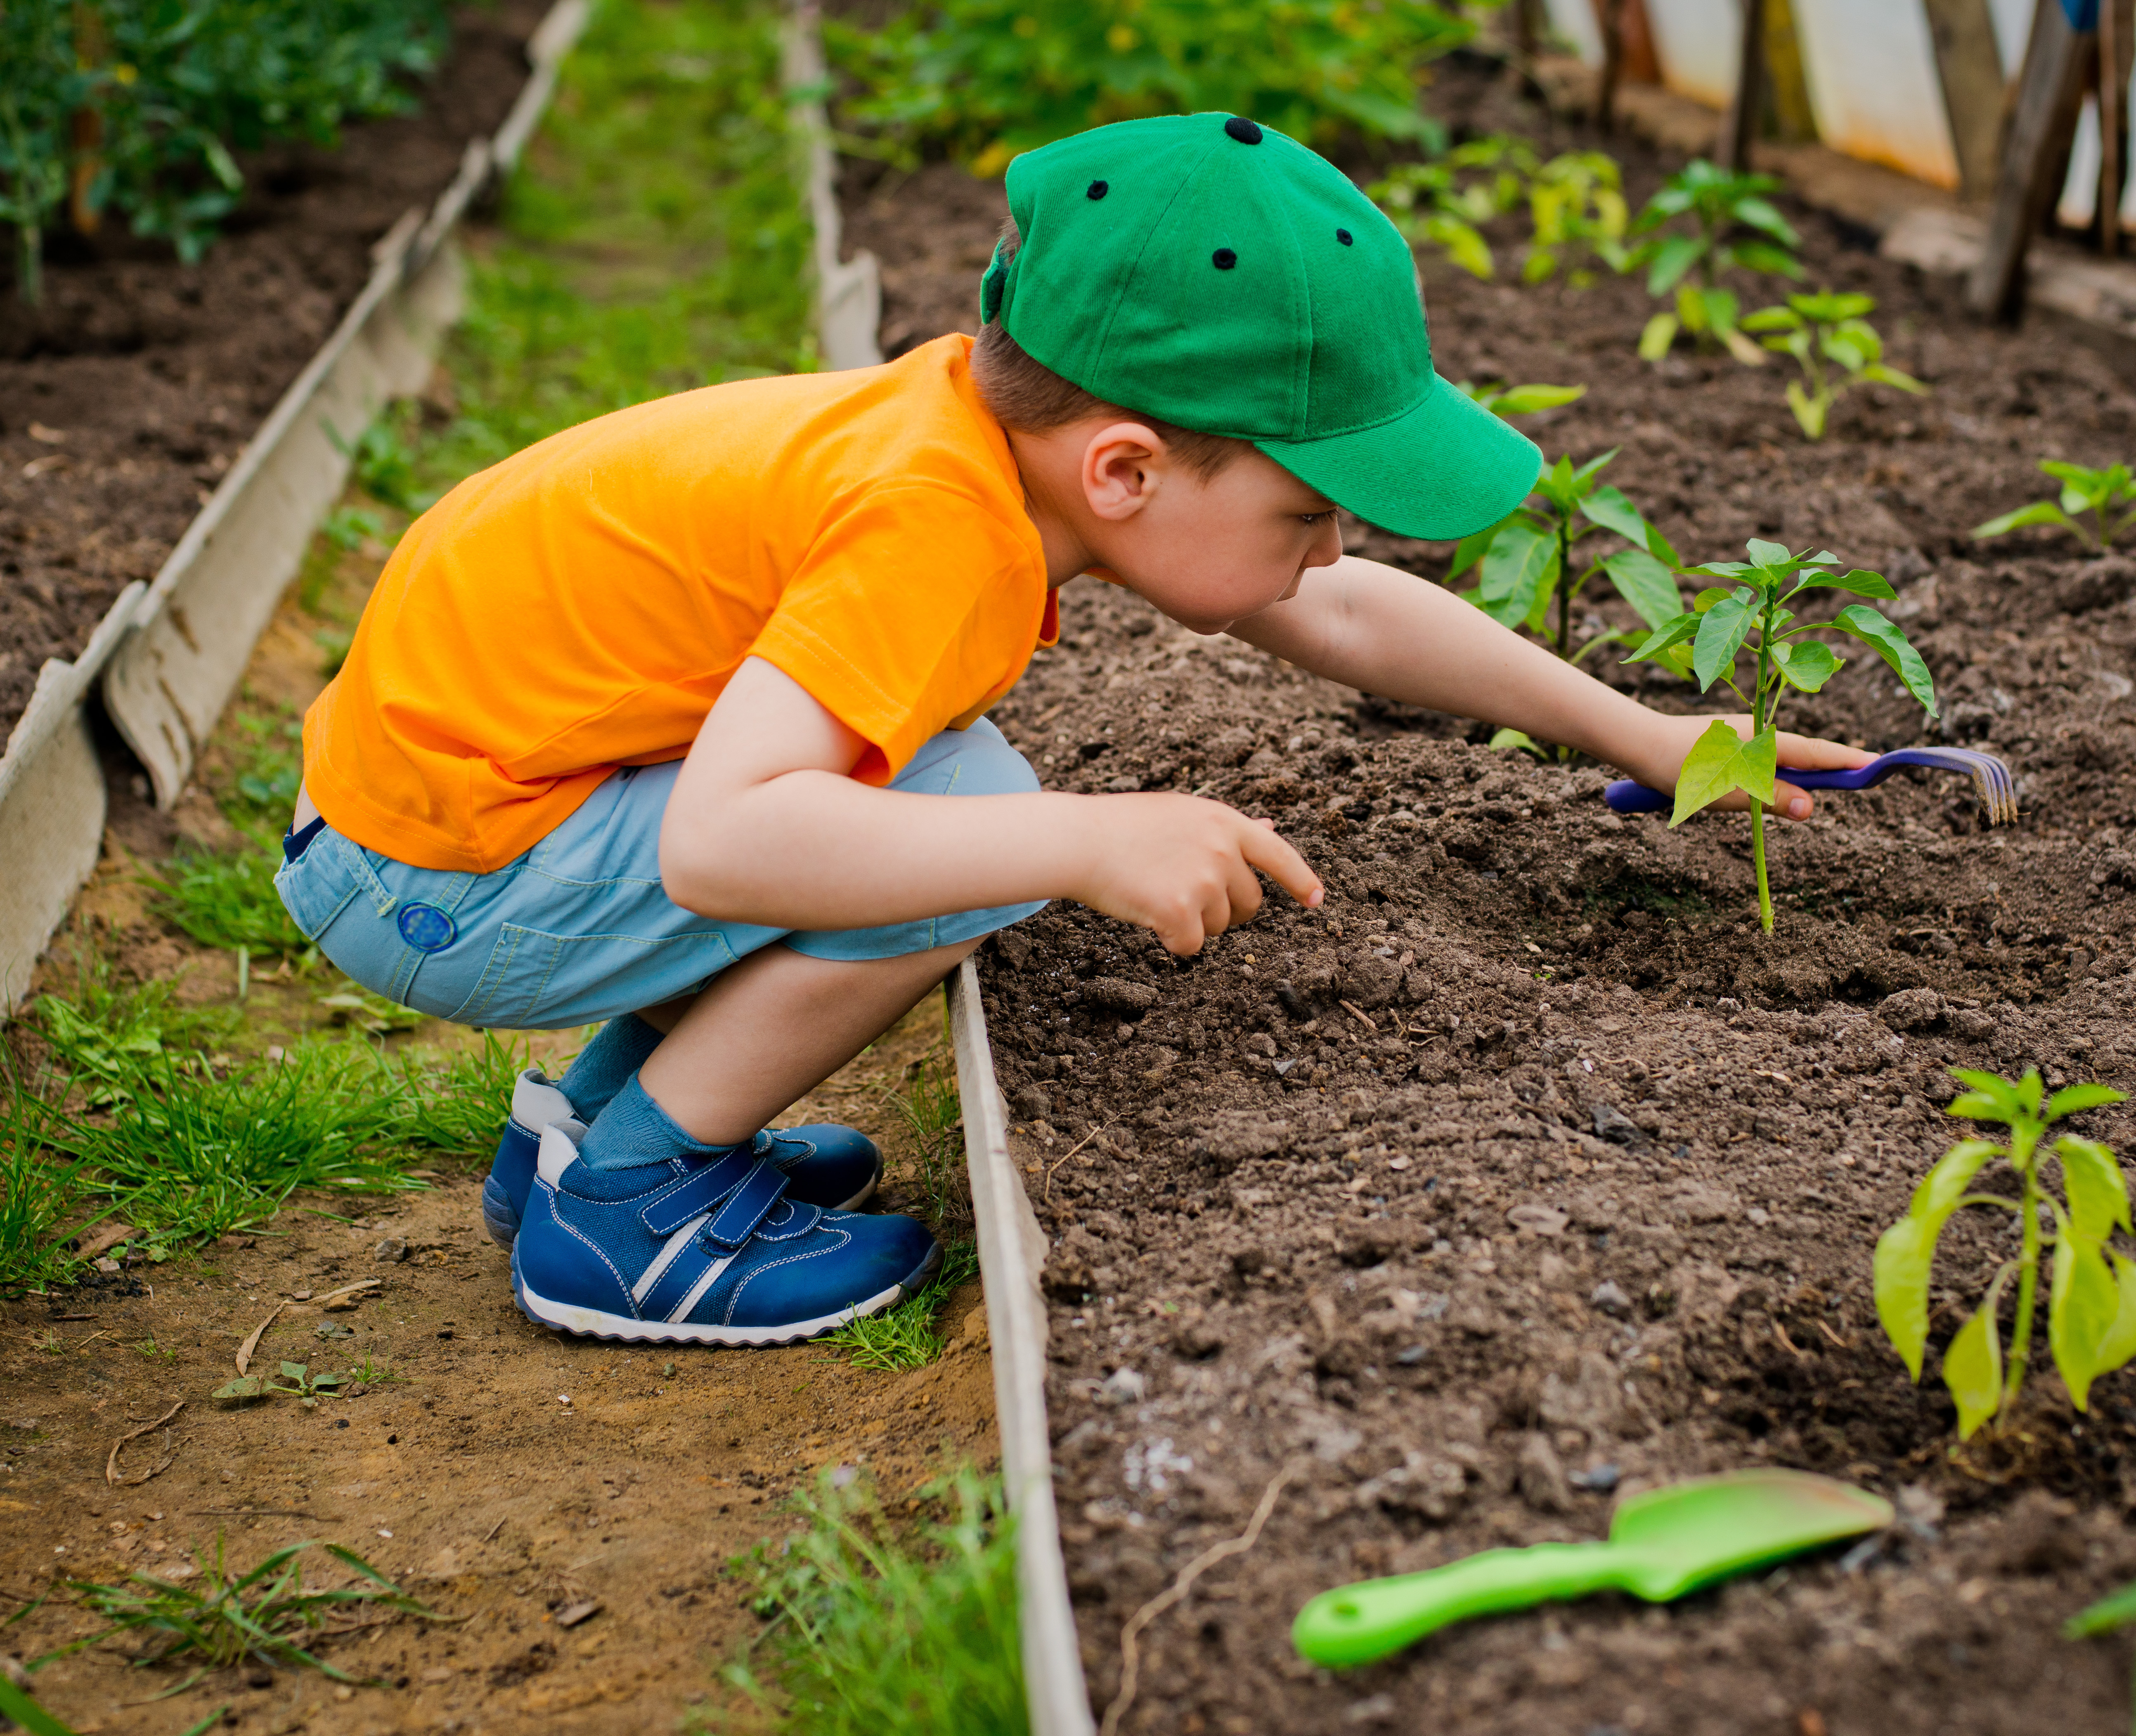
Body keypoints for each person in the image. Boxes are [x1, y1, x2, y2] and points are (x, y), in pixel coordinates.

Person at [276, 112, 1869, 1348]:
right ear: (1123, 472)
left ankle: (588, 1132)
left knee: (931, 793)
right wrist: (1090, 837)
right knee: (971, 821)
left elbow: (1351, 617)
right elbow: (724, 836)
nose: (1328, 552)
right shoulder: (933, 530)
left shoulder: (989, 452)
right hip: (441, 875)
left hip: (461, 810)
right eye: (1309, 510)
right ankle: (627, 1211)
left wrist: (1644, 735)